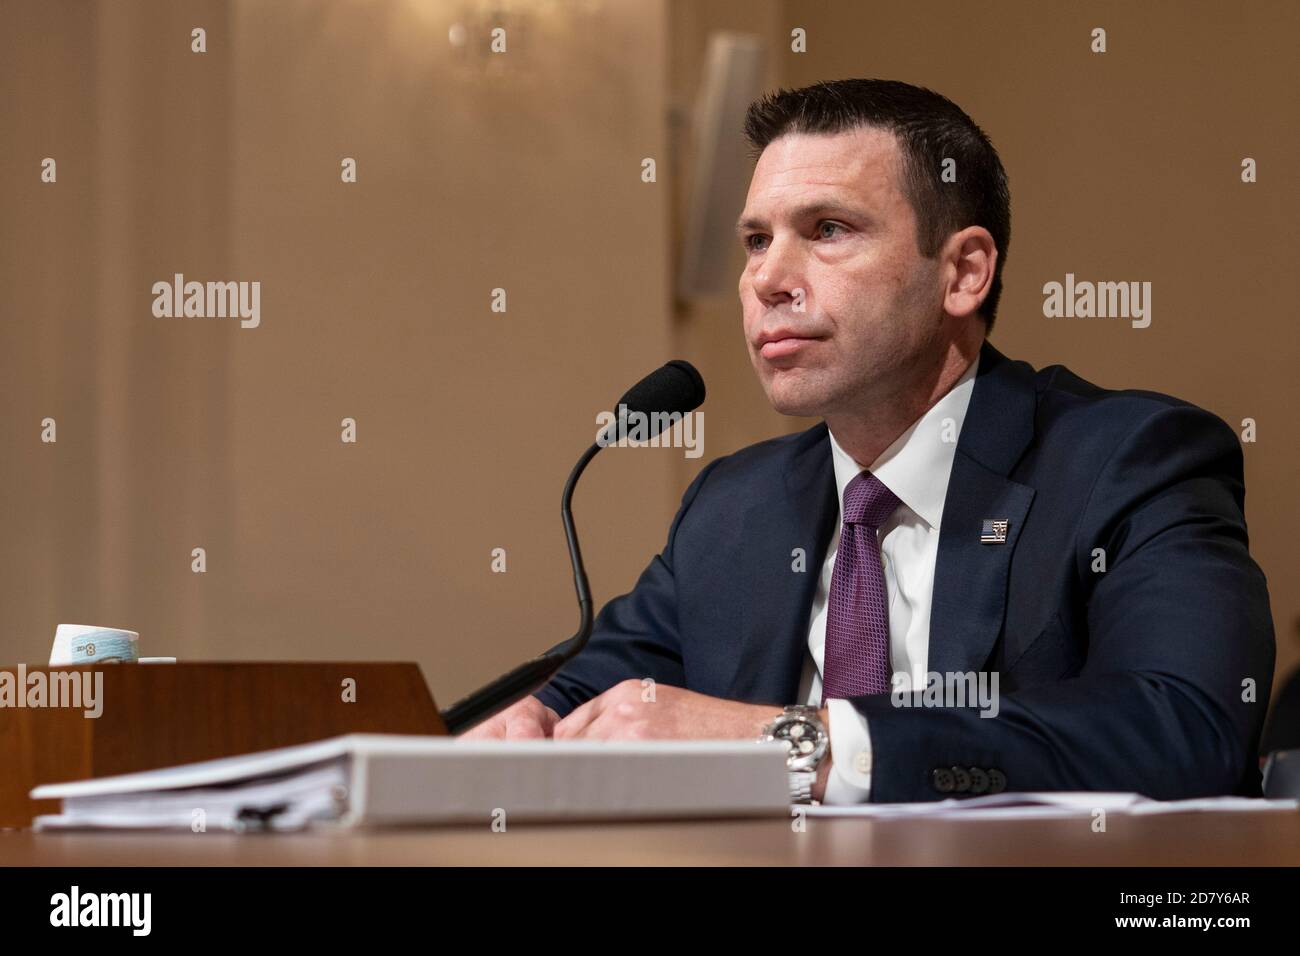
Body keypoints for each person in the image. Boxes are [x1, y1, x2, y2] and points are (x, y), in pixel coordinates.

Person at [463, 78, 1275, 805]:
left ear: (963, 273)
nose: (767, 280)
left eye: (827, 229)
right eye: (755, 240)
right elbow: (593, 695)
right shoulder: (731, 509)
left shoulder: (1129, 459)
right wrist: (529, 723)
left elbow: (1186, 725)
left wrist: (797, 745)